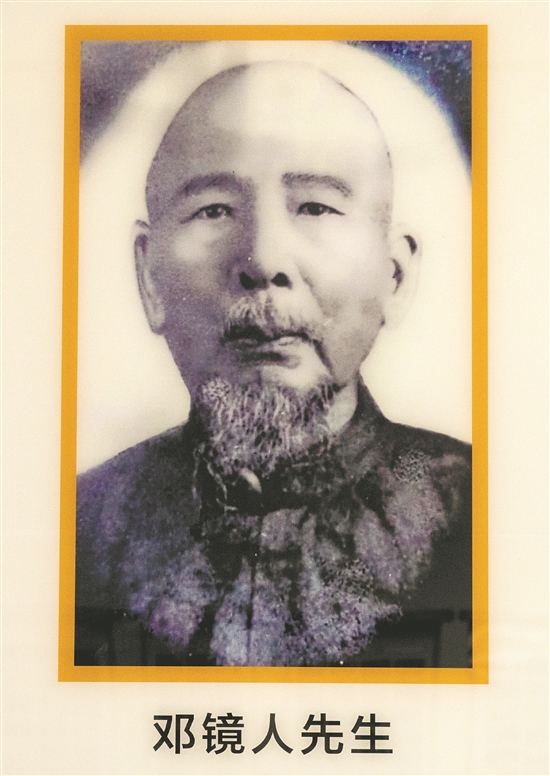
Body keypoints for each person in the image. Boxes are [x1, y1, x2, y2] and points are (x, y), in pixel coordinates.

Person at [75, 60, 471, 668]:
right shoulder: (78, 528)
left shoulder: (483, 518)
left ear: (393, 276)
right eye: (213, 210)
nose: (263, 260)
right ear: (149, 278)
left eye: (315, 207)